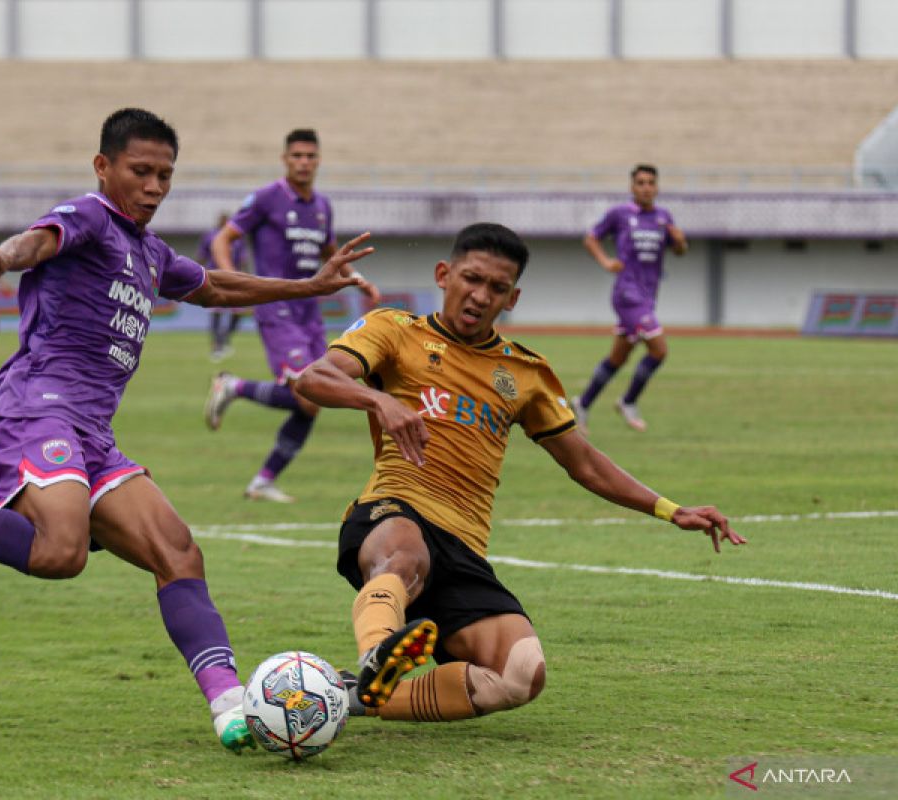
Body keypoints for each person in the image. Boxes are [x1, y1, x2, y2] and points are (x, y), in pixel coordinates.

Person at [0, 108, 374, 754]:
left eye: (165, 175)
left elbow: (216, 285)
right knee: (60, 552)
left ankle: (230, 705)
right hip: (35, 404)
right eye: (141, 171)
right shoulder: (88, 216)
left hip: (92, 431)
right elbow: (37, 242)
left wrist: (308, 284)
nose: (155, 186)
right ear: (103, 167)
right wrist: (0, 257)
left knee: (178, 552)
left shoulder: (148, 251)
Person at [293, 222, 743, 724]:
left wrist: (671, 509)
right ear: (444, 275)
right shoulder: (395, 331)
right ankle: (376, 652)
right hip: (393, 511)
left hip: (463, 548)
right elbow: (314, 378)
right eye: (471, 278)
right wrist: (379, 399)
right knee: (404, 553)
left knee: (521, 674)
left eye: (497, 288)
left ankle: (358, 696)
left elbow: (585, 463)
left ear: (512, 298)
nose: (480, 295)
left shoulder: (524, 373)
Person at [203, 129, 380, 503]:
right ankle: (233, 386)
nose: (304, 162)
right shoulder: (268, 198)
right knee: (309, 395)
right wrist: (230, 284)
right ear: (285, 159)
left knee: (316, 396)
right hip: (276, 306)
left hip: (309, 310)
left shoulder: (321, 207)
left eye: (310, 156)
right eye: (297, 155)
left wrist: (356, 279)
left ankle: (263, 481)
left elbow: (331, 253)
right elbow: (224, 239)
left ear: (318, 161)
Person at [572, 164, 688, 433]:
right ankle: (628, 401)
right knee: (659, 350)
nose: (646, 187)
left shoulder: (663, 217)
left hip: (648, 296)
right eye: (641, 183)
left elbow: (679, 250)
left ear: (657, 187)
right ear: (632, 187)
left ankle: (583, 403)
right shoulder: (620, 214)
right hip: (627, 294)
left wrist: (681, 242)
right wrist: (605, 261)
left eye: (650, 183)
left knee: (618, 358)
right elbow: (591, 238)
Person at [196, 213, 248, 362]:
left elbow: (243, 259)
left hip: (234, 279)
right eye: (223, 221)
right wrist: (198, 272)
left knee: (238, 312)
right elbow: (202, 256)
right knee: (216, 312)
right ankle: (217, 346)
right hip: (215, 278)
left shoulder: (237, 238)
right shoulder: (210, 236)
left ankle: (224, 337)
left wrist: (244, 276)